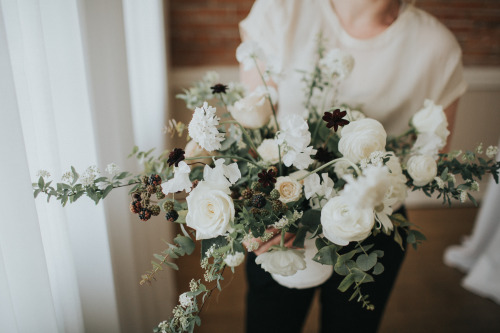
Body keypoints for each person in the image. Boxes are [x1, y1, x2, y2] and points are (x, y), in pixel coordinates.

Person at [238, 0, 467, 332]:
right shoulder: (282, 8)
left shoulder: (437, 47)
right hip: (280, 216)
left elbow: (431, 157)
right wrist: (267, 212)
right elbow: (254, 125)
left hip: (370, 227)